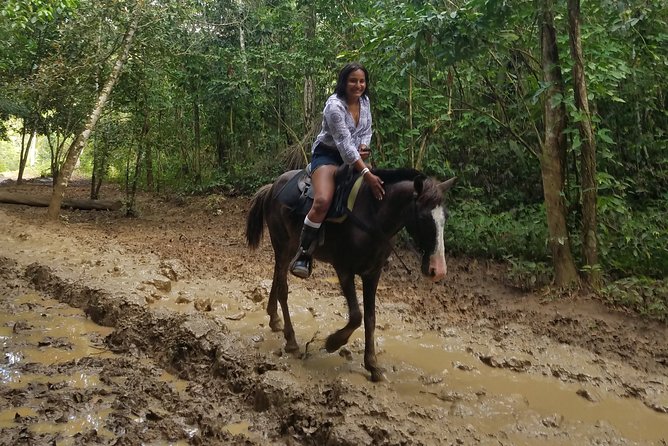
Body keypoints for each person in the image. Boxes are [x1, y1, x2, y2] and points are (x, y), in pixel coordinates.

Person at [290, 62, 386, 279]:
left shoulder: (365, 101)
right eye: (353, 80)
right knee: (323, 200)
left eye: (362, 81)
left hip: (355, 156)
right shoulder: (334, 107)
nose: (358, 85)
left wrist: (364, 145)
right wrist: (366, 173)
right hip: (328, 156)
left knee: (376, 194)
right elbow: (343, 145)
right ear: (344, 82)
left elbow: (366, 130)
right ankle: (304, 253)